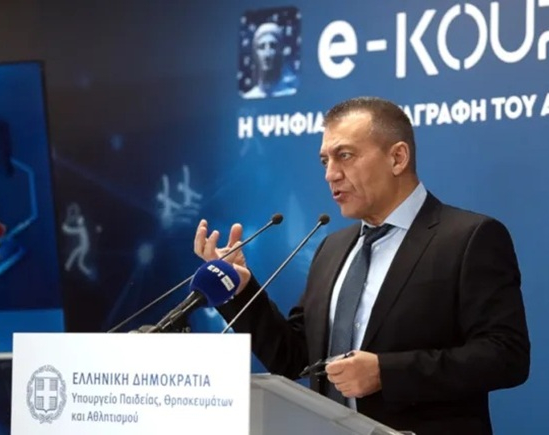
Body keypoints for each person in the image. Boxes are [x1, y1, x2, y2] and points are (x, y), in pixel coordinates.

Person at [193, 97, 530, 434]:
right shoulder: (333, 248)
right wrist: (241, 291)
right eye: (325, 160)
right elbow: (294, 358)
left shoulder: (468, 238)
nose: (330, 174)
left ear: (397, 158)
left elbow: (506, 356)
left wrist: (386, 373)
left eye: (345, 155)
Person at [241, 22, 297, 99]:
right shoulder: (249, 97)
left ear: (280, 51)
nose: (267, 54)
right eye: (262, 47)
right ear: (255, 54)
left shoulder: (292, 95)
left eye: (272, 46)